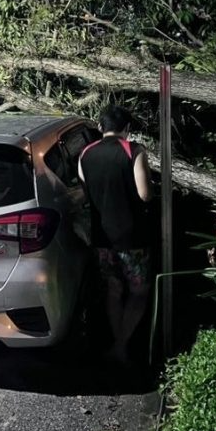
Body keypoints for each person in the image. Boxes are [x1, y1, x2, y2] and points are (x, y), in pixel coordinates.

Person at [78, 104, 153, 364]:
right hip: (132, 237)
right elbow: (144, 194)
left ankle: (116, 341)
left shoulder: (85, 154)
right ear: (127, 128)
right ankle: (123, 343)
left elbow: (86, 194)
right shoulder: (134, 151)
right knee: (139, 290)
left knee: (113, 290)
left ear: (100, 127)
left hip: (101, 237)